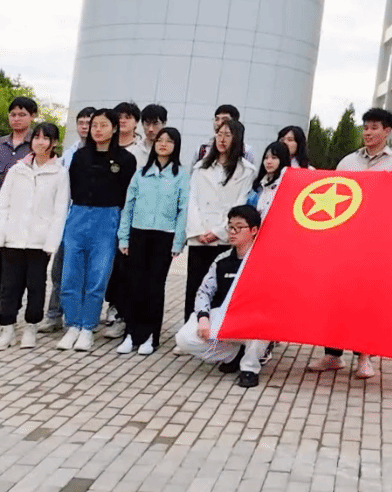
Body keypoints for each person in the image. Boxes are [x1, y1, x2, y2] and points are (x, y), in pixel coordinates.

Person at [306, 107, 392, 379]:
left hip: (377, 243)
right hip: (345, 241)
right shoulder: (347, 162)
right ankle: (332, 354)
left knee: (369, 300)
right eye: (366, 127)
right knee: (337, 298)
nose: (368, 132)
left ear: (387, 131)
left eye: (374, 127)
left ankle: (364, 356)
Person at [57, 108, 136, 352]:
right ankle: (72, 324)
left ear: (114, 128)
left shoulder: (125, 159)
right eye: (94, 125)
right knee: (70, 274)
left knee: (97, 276)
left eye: (103, 125)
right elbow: (71, 188)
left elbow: (127, 196)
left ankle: (88, 327)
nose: (98, 130)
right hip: (78, 216)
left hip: (107, 218)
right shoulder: (79, 156)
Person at [0, 123, 70, 350]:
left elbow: (60, 211)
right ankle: (7, 329)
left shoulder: (60, 173)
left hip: (38, 242)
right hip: (13, 238)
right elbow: (2, 204)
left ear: (54, 143)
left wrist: (51, 243)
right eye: (37, 137)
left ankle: (31, 327)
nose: (40, 142)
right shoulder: (17, 170)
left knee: (36, 286)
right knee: (9, 286)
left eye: (46, 138)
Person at [174, 205, 269, 389]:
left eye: (238, 228)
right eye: (230, 227)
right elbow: (204, 292)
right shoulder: (222, 260)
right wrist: (203, 318)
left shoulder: (264, 262)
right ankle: (233, 355)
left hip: (251, 320)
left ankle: (250, 368)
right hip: (225, 316)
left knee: (262, 324)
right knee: (184, 338)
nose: (232, 232)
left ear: (253, 230)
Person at [115, 127, 190, 355]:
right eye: (160, 140)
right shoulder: (141, 174)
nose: (163, 144)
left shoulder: (181, 176)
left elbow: (183, 210)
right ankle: (131, 334)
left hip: (164, 236)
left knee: (155, 287)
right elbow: (128, 207)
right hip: (138, 233)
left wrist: (178, 241)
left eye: (169, 141)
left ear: (176, 146)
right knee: (134, 285)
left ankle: (149, 336)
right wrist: (124, 237)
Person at [184, 118, 257, 321]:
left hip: (224, 237)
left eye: (227, 135)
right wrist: (199, 231)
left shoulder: (246, 170)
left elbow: (239, 203)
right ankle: (191, 326)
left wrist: (218, 231)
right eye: (219, 134)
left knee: (220, 287)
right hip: (200, 237)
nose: (222, 139)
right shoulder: (201, 167)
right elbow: (193, 200)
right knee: (194, 286)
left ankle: (216, 329)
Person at [0, 97, 37, 330]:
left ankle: (10, 310)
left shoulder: (37, 144)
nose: (16, 119)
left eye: (22, 114)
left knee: (15, 267)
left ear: (32, 116)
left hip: (21, 217)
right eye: (13, 114)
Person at [41, 106, 94, 333]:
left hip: (89, 220)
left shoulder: (101, 154)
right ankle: (54, 315)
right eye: (81, 122)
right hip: (66, 218)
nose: (85, 127)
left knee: (84, 273)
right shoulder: (69, 153)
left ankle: (81, 318)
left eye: (89, 123)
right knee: (59, 270)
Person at [102, 101, 146, 335]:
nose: (122, 120)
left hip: (130, 215)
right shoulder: (104, 145)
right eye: (119, 117)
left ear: (136, 121)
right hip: (104, 212)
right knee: (103, 262)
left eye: (128, 117)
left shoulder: (142, 151)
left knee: (123, 265)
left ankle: (118, 310)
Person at [247, 141, 291, 217]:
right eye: (266, 158)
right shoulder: (258, 185)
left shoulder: (287, 185)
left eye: (274, 158)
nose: (268, 162)